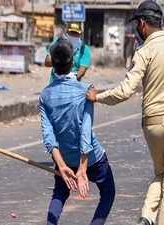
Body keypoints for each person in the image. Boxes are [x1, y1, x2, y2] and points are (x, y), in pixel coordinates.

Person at [86, 1, 164, 225]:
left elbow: (125, 91)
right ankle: (151, 219)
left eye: (137, 25)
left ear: (143, 24)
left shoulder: (143, 52)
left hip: (153, 124)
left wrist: (99, 97)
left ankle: (146, 217)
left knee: (160, 174)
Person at [39, 38, 115, 225]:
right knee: (108, 192)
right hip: (92, 158)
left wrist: (62, 165)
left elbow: (49, 137)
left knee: (59, 194)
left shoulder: (45, 95)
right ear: (72, 61)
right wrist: (82, 168)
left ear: (53, 64)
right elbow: (85, 132)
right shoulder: (86, 90)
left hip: (64, 158)